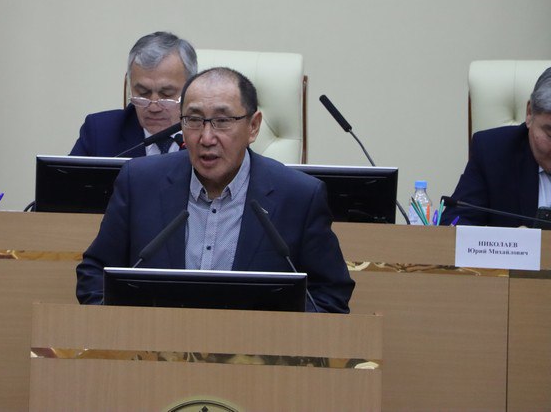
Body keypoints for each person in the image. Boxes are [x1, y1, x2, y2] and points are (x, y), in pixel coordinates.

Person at [76, 67, 354, 313]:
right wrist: (119, 331)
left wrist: (279, 339)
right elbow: (95, 273)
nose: (206, 138)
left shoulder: (299, 196)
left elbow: (329, 295)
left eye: (222, 121)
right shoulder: (139, 183)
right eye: (194, 120)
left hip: (255, 353)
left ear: (253, 126)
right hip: (155, 349)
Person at [442, 67, 551, 227]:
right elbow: (454, 222)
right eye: (550, 134)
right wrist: (509, 239)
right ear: (529, 113)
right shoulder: (493, 152)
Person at [70, 31, 197, 157]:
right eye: (143, 93)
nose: (153, 108)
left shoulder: (205, 134)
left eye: (166, 94)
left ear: (191, 89)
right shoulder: (100, 132)